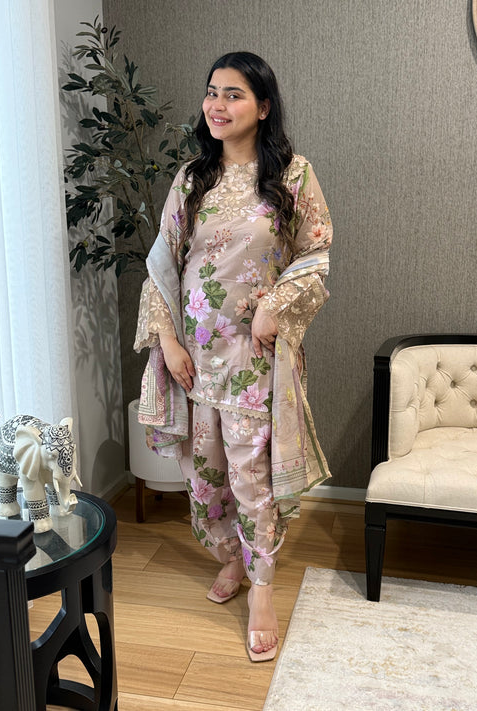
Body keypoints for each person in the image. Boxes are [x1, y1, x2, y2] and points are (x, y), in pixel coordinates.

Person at [134, 51, 332, 662]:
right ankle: (230, 557)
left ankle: (262, 589)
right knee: (206, 475)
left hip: (255, 359)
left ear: (263, 107)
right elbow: (163, 263)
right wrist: (167, 341)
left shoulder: (292, 175)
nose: (216, 105)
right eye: (212, 92)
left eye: (234, 94)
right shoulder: (192, 178)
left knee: (252, 477)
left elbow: (316, 253)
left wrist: (276, 306)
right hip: (196, 359)